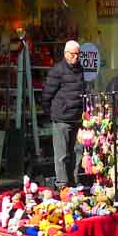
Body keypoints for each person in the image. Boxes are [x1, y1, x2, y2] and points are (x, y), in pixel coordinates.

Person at [42, 41, 86, 189]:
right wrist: (51, 112)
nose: (76, 57)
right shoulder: (57, 70)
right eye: (73, 54)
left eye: (78, 54)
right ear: (66, 54)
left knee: (77, 152)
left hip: (77, 117)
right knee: (61, 154)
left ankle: (74, 180)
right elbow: (47, 93)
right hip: (62, 118)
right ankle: (62, 185)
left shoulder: (80, 69)